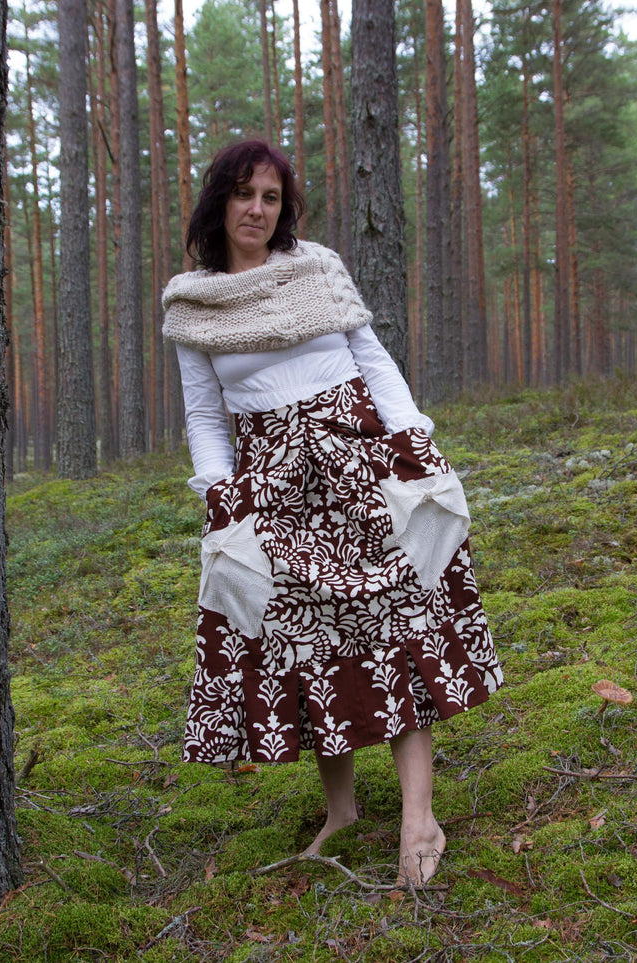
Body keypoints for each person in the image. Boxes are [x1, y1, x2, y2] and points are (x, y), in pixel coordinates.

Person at [162, 140, 502, 887]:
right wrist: (219, 496)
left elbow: (370, 356)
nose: (257, 209)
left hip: (358, 456)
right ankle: (341, 810)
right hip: (272, 480)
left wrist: (412, 435)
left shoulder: (316, 266)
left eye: (271, 197)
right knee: (308, 638)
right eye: (245, 194)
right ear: (218, 200)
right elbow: (204, 414)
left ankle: (420, 817)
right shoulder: (190, 300)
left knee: (397, 623)